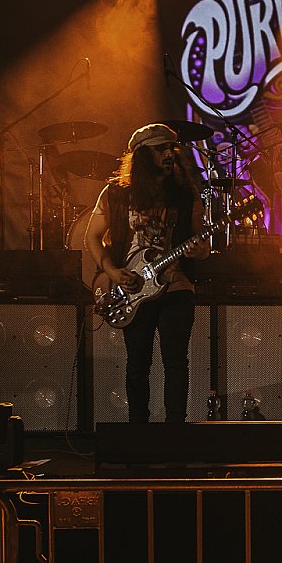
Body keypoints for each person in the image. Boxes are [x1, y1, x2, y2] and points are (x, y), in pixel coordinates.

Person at [86, 123, 208, 422]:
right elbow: (92, 237)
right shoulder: (116, 193)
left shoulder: (185, 193)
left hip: (176, 286)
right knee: (137, 364)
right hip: (134, 288)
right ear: (142, 155)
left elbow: (201, 243)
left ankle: (175, 431)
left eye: (171, 148)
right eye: (160, 149)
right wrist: (113, 272)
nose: (169, 154)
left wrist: (200, 251)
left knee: (176, 363)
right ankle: (138, 431)